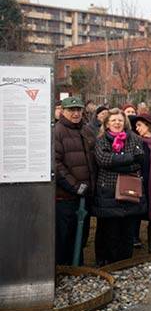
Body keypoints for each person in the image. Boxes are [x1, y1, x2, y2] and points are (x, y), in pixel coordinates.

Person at [93, 108, 146, 266]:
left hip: (129, 189)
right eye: (113, 120)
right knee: (108, 230)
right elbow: (103, 160)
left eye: (120, 120)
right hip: (108, 191)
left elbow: (140, 160)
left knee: (126, 230)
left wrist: (117, 163)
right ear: (107, 123)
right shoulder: (101, 140)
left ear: (125, 123)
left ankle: (124, 263)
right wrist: (128, 159)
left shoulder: (135, 139)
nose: (117, 123)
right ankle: (106, 262)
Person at [54, 97, 96, 265]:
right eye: (71, 110)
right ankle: (64, 271)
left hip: (85, 197)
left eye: (78, 110)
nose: (76, 113)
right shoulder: (57, 132)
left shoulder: (86, 130)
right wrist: (75, 186)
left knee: (81, 236)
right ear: (63, 111)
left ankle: (78, 269)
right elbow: (56, 164)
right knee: (65, 237)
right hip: (65, 198)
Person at [132, 113, 151, 253]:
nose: (137, 128)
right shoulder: (137, 142)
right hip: (142, 182)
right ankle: (134, 238)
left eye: (139, 125)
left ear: (148, 125)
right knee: (138, 210)